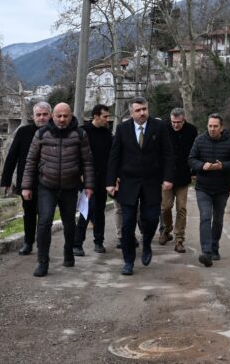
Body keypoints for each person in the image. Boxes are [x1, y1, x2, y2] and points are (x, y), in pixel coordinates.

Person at [21, 102, 94, 278]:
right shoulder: (41, 134)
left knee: (69, 222)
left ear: (71, 116)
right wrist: (26, 186)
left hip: (70, 187)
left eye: (65, 116)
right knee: (44, 221)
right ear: (53, 116)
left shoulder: (80, 134)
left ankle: (68, 251)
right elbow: (31, 161)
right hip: (47, 185)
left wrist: (89, 185)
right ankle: (42, 261)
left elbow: (87, 162)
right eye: (58, 116)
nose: (62, 119)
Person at [106, 96, 173, 276]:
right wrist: (110, 182)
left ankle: (147, 244)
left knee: (151, 219)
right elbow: (114, 156)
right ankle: (128, 260)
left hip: (152, 181)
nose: (142, 113)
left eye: (144, 109)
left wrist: (168, 178)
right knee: (127, 223)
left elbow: (168, 154)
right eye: (138, 110)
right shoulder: (122, 129)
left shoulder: (159, 127)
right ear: (131, 112)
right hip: (128, 183)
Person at [187, 113, 230, 267]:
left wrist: (222, 166)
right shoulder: (199, 140)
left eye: (215, 126)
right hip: (203, 187)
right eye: (210, 126)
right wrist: (201, 166)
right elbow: (191, 159)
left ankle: (214, 246)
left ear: (221, 127)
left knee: (217, 219)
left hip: (221, 188)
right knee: (205, 217)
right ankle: (206, 252)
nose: (212, 129)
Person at [0, 101, 51, 255]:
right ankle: (28, 242)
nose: (41, 118)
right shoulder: (23, 132)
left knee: (45, 215)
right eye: (38, 115)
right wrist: (6, 181)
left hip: (49, 182)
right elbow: (12, 157)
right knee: (29, 214)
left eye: (45, 114)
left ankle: (43, 246)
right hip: (27, 182)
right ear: (32, 116)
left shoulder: (56, 132)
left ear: (50, 115)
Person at [73, 104, 112, 255]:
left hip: (103, 179)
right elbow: (76, 155)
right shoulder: (83, 131)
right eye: (105, 117)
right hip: (87, 178)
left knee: (100, 211)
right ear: (96, 116)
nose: (107, 120)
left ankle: (99, 242)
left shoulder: (107, 133)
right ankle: (77, 244)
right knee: (86, 210)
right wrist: (80, 174)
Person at [158, 107, 197, 253]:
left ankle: (179, 239)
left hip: (183, 176)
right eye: (173, 122)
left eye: (179, 122)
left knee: (181, 209)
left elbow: (195, 152)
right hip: (166, 177)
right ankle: (166, 230)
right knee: (166, 207)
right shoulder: (164, 128)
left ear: (184, 119)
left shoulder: (191, 131)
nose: (176, 125)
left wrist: (193, 171)